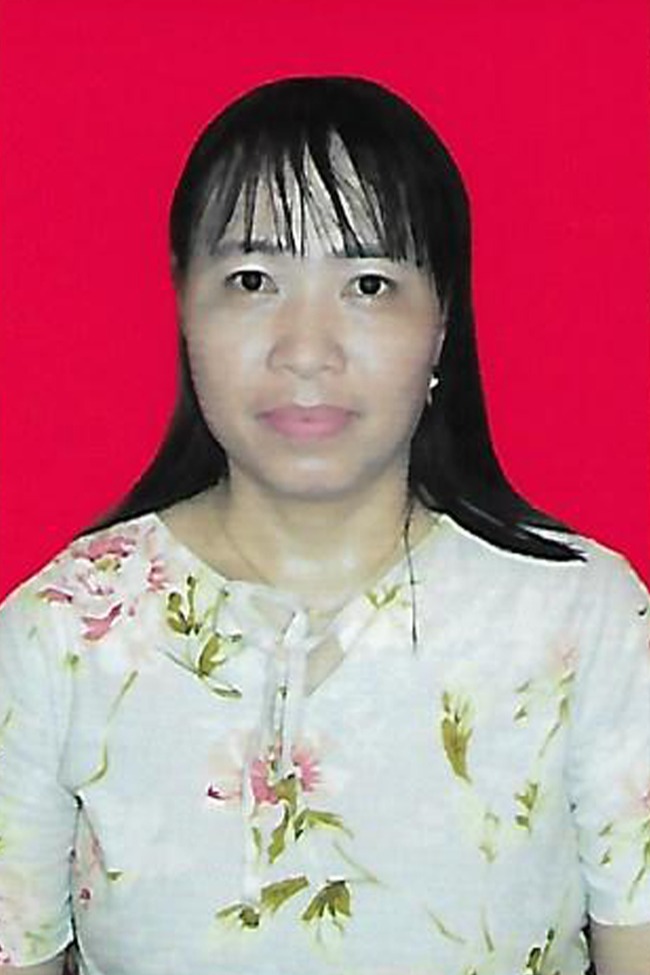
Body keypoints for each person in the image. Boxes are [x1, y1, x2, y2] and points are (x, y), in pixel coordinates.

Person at [0, 76, 648, 975]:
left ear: (442, 322)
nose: (307, 350)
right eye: (252, 281)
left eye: (369, 284)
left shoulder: (585, 622)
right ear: (184, 304)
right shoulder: (61, 634)